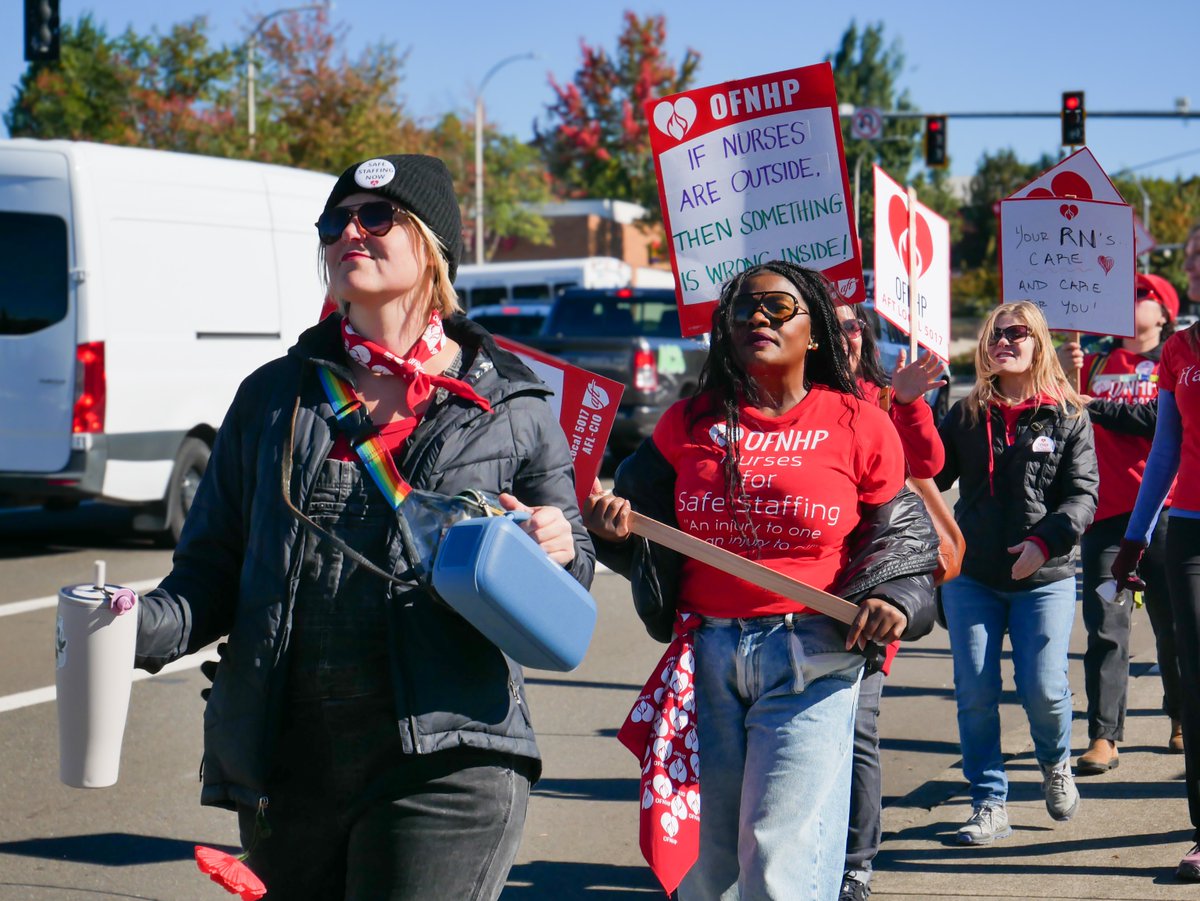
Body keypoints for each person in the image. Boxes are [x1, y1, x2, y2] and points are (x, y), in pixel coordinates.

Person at [131, 154, 594, 900]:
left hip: (449, 758)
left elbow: (573, 575)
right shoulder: (272, 396)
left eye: (375, 216)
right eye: (335, 220)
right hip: (291, 768)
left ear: (431, 243)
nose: (350, 230)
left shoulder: (513, 404)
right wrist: (122, 627)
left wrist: (556, 544)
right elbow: (209, 574)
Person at [584, 261, 939, 900]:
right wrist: (612, 528)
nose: (756, 319)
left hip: (813, 655)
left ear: (816, 330)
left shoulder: (858, 422)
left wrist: (892, 597)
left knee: (779, 858)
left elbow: (904, 538)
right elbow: (637, 528)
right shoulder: (685, 423)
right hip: (706, 659)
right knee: (706, 863)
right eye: (742, 310)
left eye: (777, 308)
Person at [934, 301, 1097, 845]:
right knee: (974, 691)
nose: (1004, 341)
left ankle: (1056, 764)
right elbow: (929, 475)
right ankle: (988, 802)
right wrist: (911, 406)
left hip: (1044, 577)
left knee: (1044, 688)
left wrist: (1043, 541)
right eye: (996, 334)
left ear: (1038, 342)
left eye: (1017, 333)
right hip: (972, 575)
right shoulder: (963, 412)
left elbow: (1082, 496)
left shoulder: (1069, 413)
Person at [835, 304, 947, 901]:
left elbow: (928, 464)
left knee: (857, 728)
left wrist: (902, 402)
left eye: (854, 324)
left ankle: (855, 861)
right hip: (794, 588)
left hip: (875, 584)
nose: (845, 333)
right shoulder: (774, 393)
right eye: (833, 322)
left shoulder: (884, 392)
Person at [1057, 274, 1182, 774]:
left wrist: (1098, 405)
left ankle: (1181, 720)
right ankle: (1105, 736)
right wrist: (1068, 378)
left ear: (1164, 312)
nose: (1128, 304)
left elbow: (1157, 418)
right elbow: (1067, 413)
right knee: (1106, 628)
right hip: (1106, 516)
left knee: (1174, 626)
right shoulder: (1097, 359)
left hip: (1165, 512)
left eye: (1140, 297)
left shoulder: (1172, 360)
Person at [1113, 252, 1200, 882]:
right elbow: (1167, 447)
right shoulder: (1179, 352)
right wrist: (1136, 537)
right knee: (1196, 682)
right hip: (1190, 533)